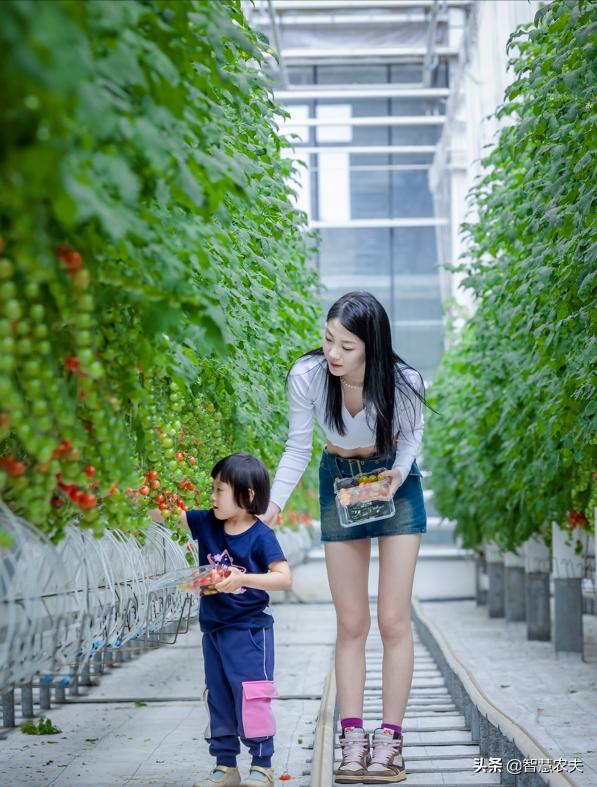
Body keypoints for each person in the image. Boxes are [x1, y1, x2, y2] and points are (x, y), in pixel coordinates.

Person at [261, 291, 429, 784]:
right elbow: (297, 447)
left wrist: (397, 474)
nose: (333, 353)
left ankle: (390, 742)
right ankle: (352, 741)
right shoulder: (307, 376)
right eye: (328, 338)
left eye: (347, 346)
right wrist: (272, 508)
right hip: (339, 479)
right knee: (351, 622)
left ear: (372, 347)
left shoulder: (405, 382)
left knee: (394, 618)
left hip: (394, 483)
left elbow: (412, 440)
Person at [150, 452, 292, 787]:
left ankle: (262, 764)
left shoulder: (261, 535)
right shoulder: (207, 523)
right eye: (212, 489)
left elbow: (283, 578)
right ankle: (225, 765)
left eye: (219, 490)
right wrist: (138, 496)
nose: (212, 497)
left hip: (250, 631)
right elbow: (167, 516)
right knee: (218, 695)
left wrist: (243, 579)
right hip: (214, 629)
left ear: (248, 495)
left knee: (251, 694)